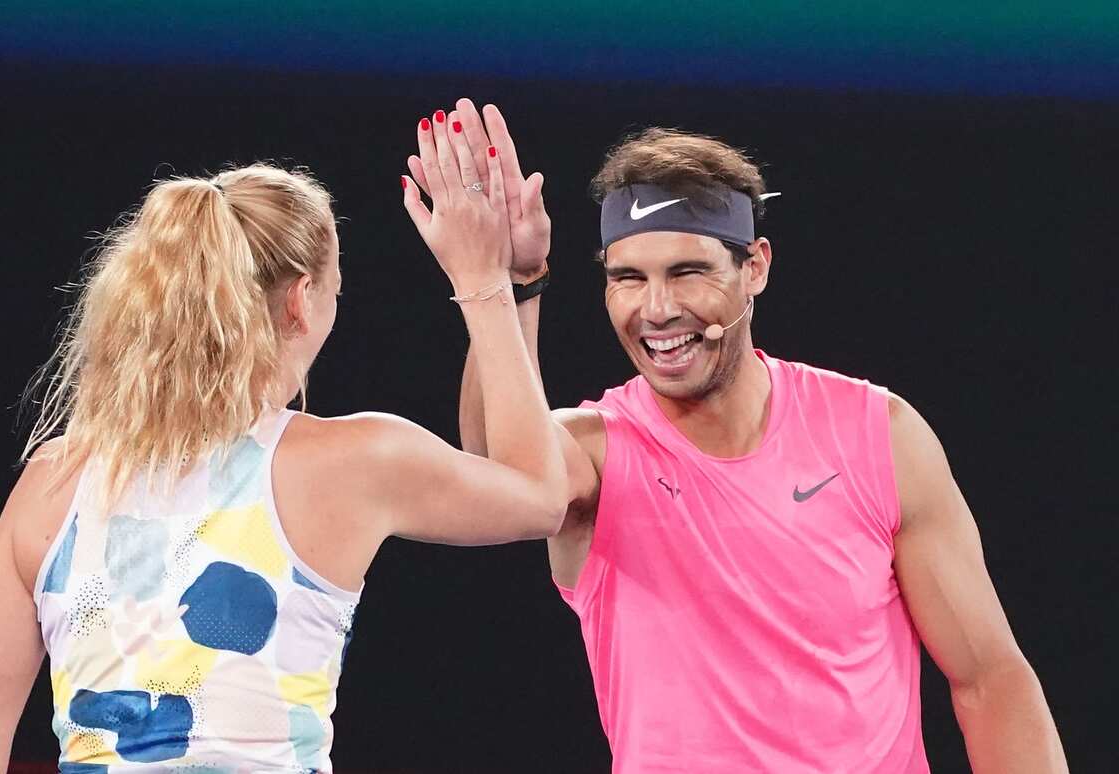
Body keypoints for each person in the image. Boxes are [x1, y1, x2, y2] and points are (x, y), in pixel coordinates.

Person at [424, 99, 1068, 772]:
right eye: (628, 279)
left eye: (688, 272)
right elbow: (505, 481)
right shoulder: (597, 452)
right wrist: (509, 282)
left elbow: (990, 680)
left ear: (754, 267)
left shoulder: (879, 434)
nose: (658, 309)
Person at [0, 124, 569, 773]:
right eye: (334, 291)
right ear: (300, 301)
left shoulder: (53, 480)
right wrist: (493, 279)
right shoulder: (349, 462)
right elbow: (541, 495)